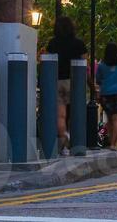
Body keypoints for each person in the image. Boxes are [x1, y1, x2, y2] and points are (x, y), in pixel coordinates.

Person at [46, 16, 86, 150]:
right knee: (75, 112)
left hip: (56, 80)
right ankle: (74, 141)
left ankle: (64, 139)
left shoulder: (52, 43)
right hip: (74, 81)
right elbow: (85, 65)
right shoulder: (79, 44)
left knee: (60, 115)